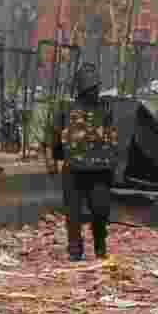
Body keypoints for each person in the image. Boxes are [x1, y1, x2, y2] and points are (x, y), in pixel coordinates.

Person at [52, 63, 117, 262]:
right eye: (91, 87)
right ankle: (75, 250)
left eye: (95, 86)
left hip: (100, 170)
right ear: (81, 88)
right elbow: (56, 137)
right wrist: (55, 160)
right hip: (73, 169)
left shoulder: (106, 109)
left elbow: (112, 139)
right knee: (73, 214)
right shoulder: (66, 110)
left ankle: (99, 246)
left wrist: (113, 165)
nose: (94, 91)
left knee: (100, 211)